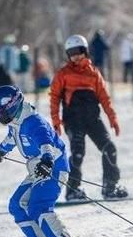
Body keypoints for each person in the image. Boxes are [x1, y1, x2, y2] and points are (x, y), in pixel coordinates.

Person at [0, 84, 81, 237]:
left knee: (39, 205)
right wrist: (0, 150)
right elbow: (12, 138)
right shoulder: (16, 121)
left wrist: (47, 159)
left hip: (52, 167)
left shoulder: (33, 121)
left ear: (11, 105)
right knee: (17, 205)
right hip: (37, 169)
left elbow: (46, 141)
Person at [50, 34, 127, 201]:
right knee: (78, 153)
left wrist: (112, 119)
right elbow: (54, 97)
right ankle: (72, 190)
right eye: (71, 53)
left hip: (93, 120)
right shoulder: (63, 74)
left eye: (78, 51)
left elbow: (105, 98)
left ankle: (110, 186)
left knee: (109, 149)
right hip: (73, 120)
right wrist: (56, 121)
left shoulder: (94, 74)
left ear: (85, 51)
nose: (75, 56)